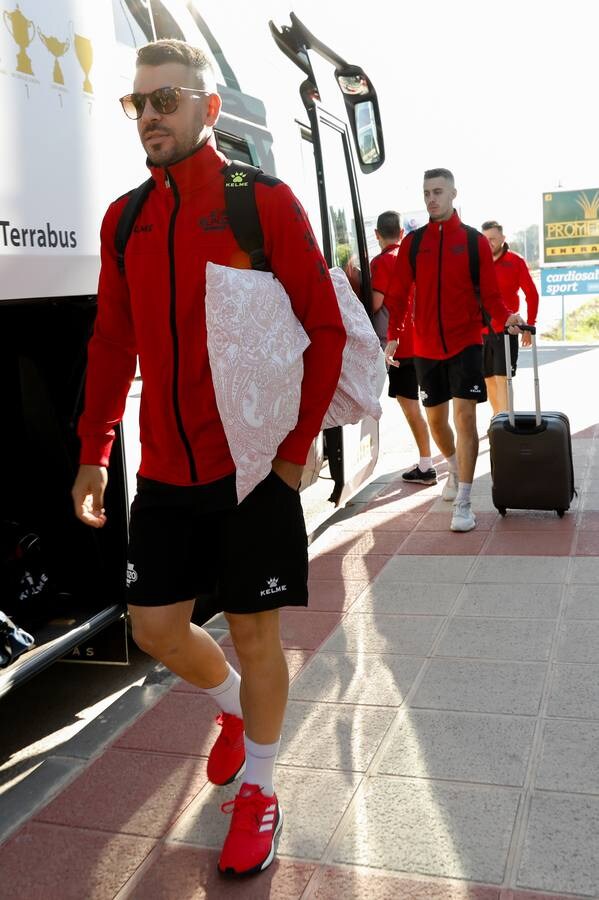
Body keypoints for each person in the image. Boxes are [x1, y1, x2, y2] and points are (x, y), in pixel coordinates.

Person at [71, 39, 345, 877]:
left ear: (206, 108)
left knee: (259, 638)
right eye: (137, 103)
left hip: (255, 467)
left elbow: (326, 328)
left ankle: (259, 789)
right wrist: (93, 452)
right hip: (164, 471)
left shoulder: (259, 201)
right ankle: (231, 709)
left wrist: (295, 457)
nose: (149, 116)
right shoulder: (125, 219)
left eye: (165, 100)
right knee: (154, 627)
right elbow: (112, 343)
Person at [384, 168, 524, 532]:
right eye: (427, 192)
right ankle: (452, 465)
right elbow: (398, 294)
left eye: (438, 191)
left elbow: (490, 296)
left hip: (466, 344)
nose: (431, 198)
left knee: (465, 419)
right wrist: (394, 334)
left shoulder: (474, 241)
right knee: (436, 421)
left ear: (453, 194)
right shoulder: (414, 244)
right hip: (427, 348)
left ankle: (464, 500)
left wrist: (506, 318)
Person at [371, 210, 436, 486]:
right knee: (433, 406)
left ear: (377, 235)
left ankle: (426, 465)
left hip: (401, 348)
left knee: (411, 408)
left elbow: (375, 303)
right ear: (401, 233)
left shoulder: (381, 262)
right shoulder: (413, 258)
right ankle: (437, 460)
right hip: (425, 342)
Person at [481, 220, 539, 415]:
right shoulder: (479, 263)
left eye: (493, 239)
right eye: (485, 239)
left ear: (503, 239)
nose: (489, 243)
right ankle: (498, 419)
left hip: (506, 331)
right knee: (488, 380)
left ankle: (504, 422)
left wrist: (530, 327)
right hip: (480, 332)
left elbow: (532, 294)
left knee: (502, 379)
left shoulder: (515, 261)